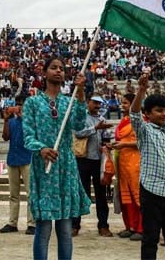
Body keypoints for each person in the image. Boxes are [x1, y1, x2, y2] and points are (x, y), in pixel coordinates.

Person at [23, 56, 91, 260]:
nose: (58, 71)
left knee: (65, 227)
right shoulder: (33, 102)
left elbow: (79, 125)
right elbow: (28, 135)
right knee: (43, 227)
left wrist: (80, 93)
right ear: (44, 73)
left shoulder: (68, 101)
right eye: (53, 68)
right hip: (43, 167)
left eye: (61, 68)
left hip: (65, 167)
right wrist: (41, 148)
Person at [130, 74, 165, 260]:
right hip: (152, 191)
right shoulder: (144, 131)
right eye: (158, 111)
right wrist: (141, 90)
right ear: (147, 114)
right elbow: (134, 114)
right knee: (150, 239)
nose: (164, 114)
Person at [72, 95, 114, 237]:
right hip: (82, 159)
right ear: (88, 102)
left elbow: (106, 137)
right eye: (95, 103)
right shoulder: (81, 118)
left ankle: (103, 225)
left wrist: (107, 144)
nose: (97, 106)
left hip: (98, 160)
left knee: (101, 194)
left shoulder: (103, 120)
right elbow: (78, 133)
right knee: (79, 193)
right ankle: (74, 225)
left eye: (99, 104)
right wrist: (95, 128)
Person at [0, 96, 35, 235]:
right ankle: (12, 223)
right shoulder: (12, 122)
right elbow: (5, 137)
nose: (19, 107)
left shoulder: (32, 121)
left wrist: (24, 118)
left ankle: (32, 223)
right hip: (13, 159)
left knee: (30, 193)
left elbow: (31, 135)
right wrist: (6, 120)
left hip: (27, 159)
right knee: (13, 194)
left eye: (22, 105)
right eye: (17, 105)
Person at [112, 93, 143, 241]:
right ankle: (130, 226)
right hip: (123, 163)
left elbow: (142, 142)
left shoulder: (139, 122)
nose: (122, 106)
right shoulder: (124, 120)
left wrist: (124, 144)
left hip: (135, 162)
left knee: (138, 197)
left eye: (125, 103)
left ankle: (141, 228)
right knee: (127, 197)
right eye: (122, 103)